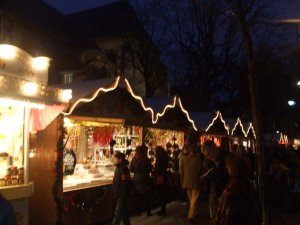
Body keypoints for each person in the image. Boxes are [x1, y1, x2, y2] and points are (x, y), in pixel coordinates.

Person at [216, 153, 259, 225]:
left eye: (228, 167)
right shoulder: (246, 182)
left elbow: (229, 212)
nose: (227, 170)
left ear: (233, 168)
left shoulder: (234, 186)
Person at [201, 141, 228, 225]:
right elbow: (205, 174)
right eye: (206, 155)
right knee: (215, 218)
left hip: (227, 191)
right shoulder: (207, 161)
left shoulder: (226, 157)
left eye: (209, 153)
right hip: (214, 193)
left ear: (214, 148)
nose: (209, 157)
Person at [179, 144, 202, 224]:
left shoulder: (183, 159)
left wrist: (182, 181)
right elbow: (199, 170)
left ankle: (194, 214)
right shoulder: (198, 159)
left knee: (191, 199)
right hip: (195, 181)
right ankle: (191, 216)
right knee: (194, 199)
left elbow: (181, 171)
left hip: (186, 181)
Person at [129, 145, 153, 216]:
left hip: (137, 179)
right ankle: (148, 211)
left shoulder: (134, 159)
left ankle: (138, 212)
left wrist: (137, 171)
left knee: (138, 196)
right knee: (147, 196)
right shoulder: (146, 159)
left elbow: (131, 169)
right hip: (145, 178)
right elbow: (150, 169)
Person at [111, 152, 131, 225]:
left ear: (120, 159)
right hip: (119, 194)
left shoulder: (124, 169)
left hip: (122, 195)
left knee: (117, 214)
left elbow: (125, 184)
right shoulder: (118, 168)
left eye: (115, 158)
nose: (114, 160)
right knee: (123, 213)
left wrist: (123, 196)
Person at [152, 146, 169, 216]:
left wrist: (154, 172)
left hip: (160, 177)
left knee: (161, 193)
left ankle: (163, 210)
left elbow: (158, 168)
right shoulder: (165, 156)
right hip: (164, 176)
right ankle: (163, 209)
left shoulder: (159, 158)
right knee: (163, 193)